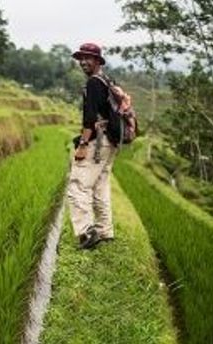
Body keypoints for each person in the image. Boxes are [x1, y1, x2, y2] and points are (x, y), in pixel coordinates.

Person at [68, 42, 118, 250]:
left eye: (88, 58)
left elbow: (89, 118)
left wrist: (82, 144)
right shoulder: (107, 80)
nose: (83, 62)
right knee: (100, 185)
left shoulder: (93, 83)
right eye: (81, 58)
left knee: (78, 185)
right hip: (110, 141)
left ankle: (87, 233)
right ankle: (105, 230)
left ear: (97, 61)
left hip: (97, 141)